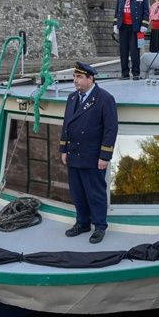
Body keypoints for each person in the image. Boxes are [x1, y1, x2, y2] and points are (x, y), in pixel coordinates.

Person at [60, 62, 118, 244]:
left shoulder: (104, 99)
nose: (75, 81)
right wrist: (63, 149)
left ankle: (99, 226)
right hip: (74, 154)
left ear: (90, 78)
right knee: (78, 193)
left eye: (79, 77)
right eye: (74, 77)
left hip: (93, 157)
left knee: (95, 193)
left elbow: (110, 129)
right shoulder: (71, 98)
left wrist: (104, 156)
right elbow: (66, 125)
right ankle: (82, 222)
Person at [113, 0, 150, 80]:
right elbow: (117, 9)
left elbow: (146, 11)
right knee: (123, 50)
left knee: (134, 51)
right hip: (123, 25)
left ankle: (136, 73)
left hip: (135, 26)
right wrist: (115, 23)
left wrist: (144, 24)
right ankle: (124, 73)